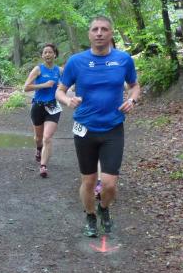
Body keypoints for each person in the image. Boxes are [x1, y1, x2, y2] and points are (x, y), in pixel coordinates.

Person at [55, 16, 140, 237]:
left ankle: (104, 209)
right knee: (89, 181)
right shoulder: (76, 61)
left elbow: (134, 86)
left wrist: (132, 100)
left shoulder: (123, 60)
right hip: (85, 129)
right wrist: (68, 100)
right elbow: (60, 91)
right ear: (89, 34)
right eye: (95, 29)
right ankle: (90, 215)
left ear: (111, 33)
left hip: (113, 128)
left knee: (109, 184)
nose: (99, 33)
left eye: (104, 29)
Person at [23, 43, 63, 178]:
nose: (47, 54)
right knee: (38, 138)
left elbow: (69, 85)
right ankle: (39, 149)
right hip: (38, 106)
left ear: (55, 55)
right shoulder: (38, 69)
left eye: (50, 52)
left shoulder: (60, 70)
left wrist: (63, 86)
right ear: (42, 55)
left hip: (53, 107)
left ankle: (43, 166)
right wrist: (44, 85)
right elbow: (26, 87)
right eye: (45, 52)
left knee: (47, 137)